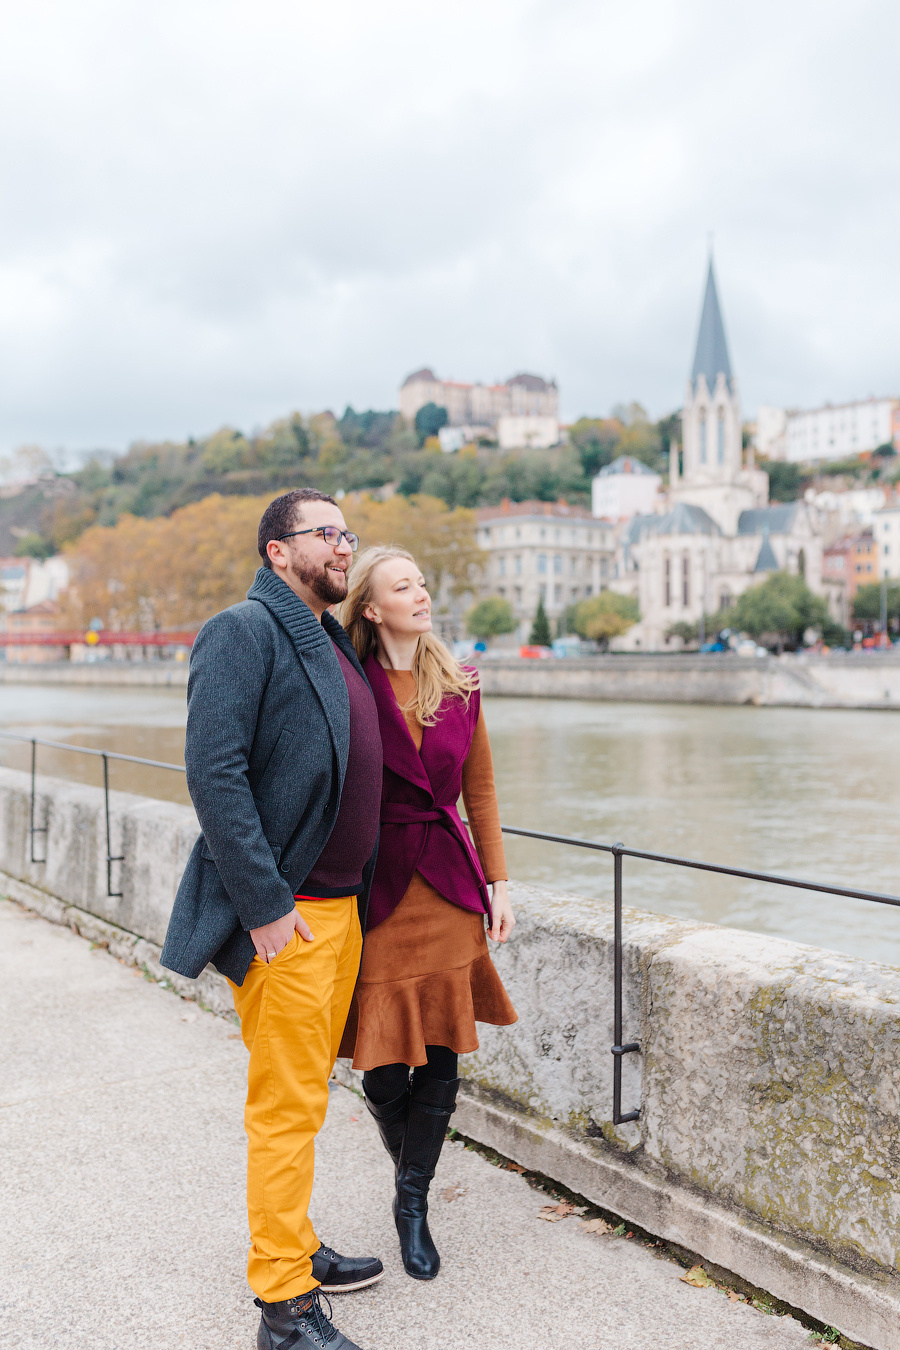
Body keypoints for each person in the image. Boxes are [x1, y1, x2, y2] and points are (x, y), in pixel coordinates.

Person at [161, 489, 383, 1350]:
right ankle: (284, 1308)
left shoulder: (326, 639)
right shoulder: (243, 631)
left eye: (347, 533)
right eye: (325, 532)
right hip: (289, 919)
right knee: (285, 1111)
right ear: (277, 551)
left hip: (339, 913)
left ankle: (296, 1243)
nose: (342, 545)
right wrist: (265, 909)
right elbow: (214, 773)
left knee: (307, 1100)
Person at [337, 545, 517, 1282]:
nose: (421, 594)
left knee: (442, 1044)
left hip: (447, 882)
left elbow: (482, 793)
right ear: (371, 608)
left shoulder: (461, 683)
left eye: (421, 582)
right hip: (376, 881)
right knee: (381, 1066)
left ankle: (412, 1200)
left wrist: (498, 884)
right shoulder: (346, 683)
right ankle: (408, 1157)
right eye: (401, 585)